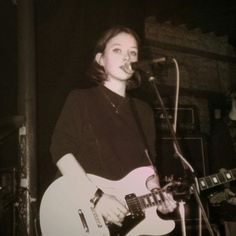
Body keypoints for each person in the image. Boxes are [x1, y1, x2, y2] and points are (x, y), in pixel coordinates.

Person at [49, 25, 177, 235]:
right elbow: (60, 150)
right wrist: (96, 196)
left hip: (128, 222)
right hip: (82, 208)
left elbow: (149, 166)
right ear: (100, 59)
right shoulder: (81, 99)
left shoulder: (143, 111)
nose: (127, 57)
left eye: (133, 52)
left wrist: (157, 194)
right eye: (117, 50)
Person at [209, 90, 236, 236]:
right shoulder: (221, 128)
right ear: (233, 99)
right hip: (232, 202)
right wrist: (229, 194)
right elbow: (220, 169)